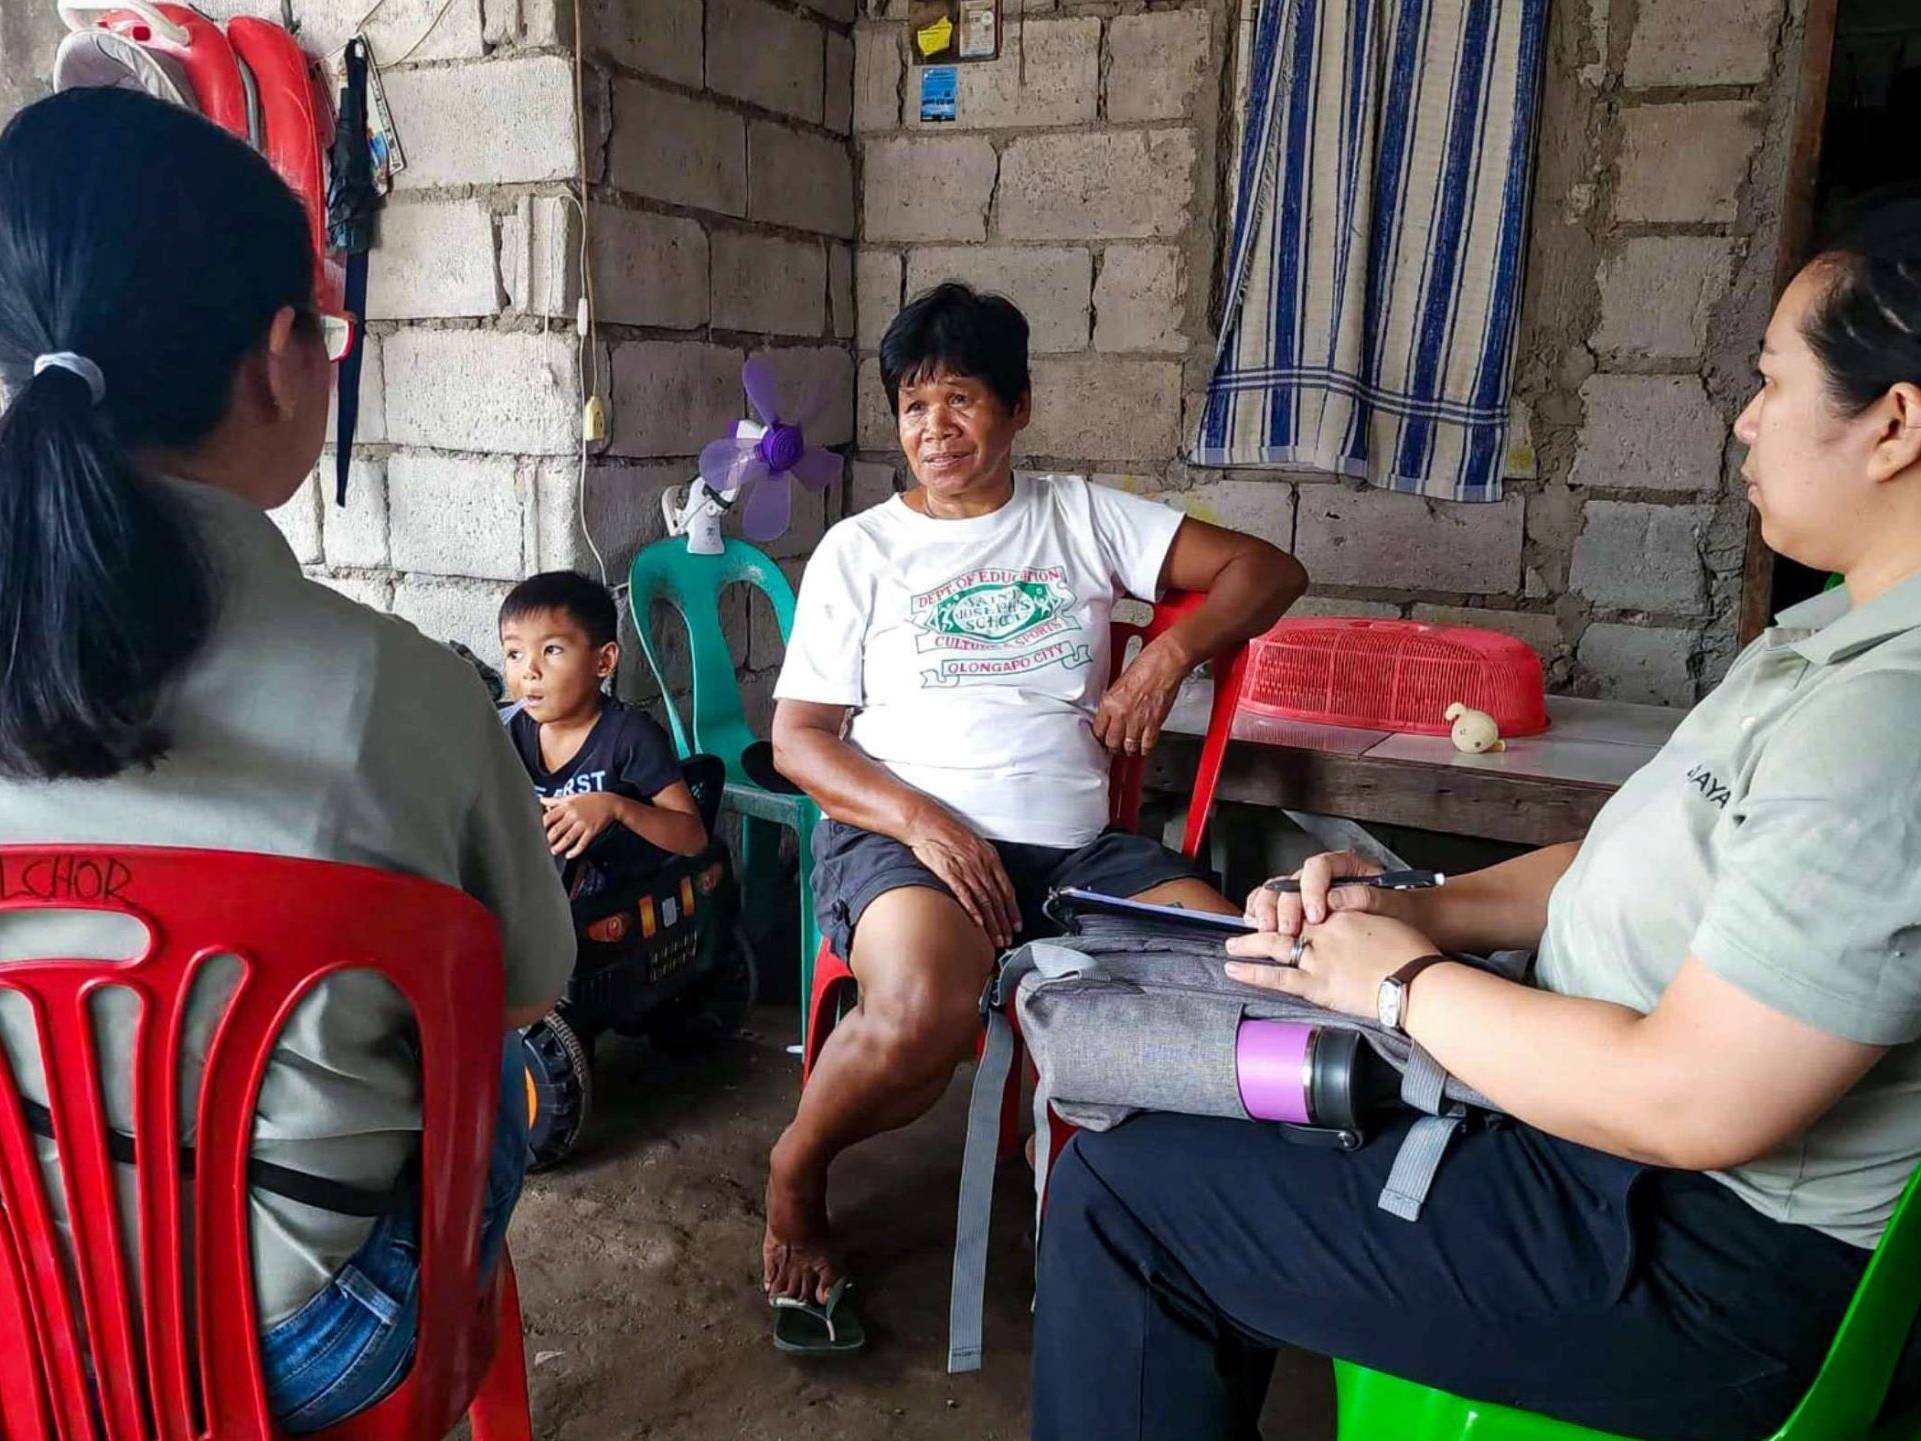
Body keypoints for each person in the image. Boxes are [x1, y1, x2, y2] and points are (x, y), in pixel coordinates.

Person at [1032, 185, 1921, 1441]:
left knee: (1127, 1194)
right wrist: (1413, 910)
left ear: (1893, 423)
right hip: (1606, 1142)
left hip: (1694, 1249)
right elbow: (1614, 858)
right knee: (1194, 1077)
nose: (1745, 421)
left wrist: (1400, 990)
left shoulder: (1890, 719)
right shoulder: (1830, 638)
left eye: (1771, 383)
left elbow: (1692, 1102)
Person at [0, 89, 574, 1431]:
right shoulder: (403, 693)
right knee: (488, 1058)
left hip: (22, 1309)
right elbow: (535, 979)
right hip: (301, 1343)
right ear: (281, 357)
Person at [764, 282, 1308, 1313]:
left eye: (963, 400)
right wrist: (926, 822)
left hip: (1079, 854)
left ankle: (1101, 1183)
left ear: (1019, 405)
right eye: (915, 405)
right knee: (921, 1015)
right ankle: (796, 1173)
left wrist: (1166, 659)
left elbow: (1267, 568)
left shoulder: (1082, 516)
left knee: (1253, 981)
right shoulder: (862, 550)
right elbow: (796, 739)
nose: (937, 429)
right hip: (905, 846)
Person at [499, 570, 708, 898]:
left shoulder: (630, 737)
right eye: (515, 654)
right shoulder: (507, 730)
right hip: (537, 889)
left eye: (552, 650)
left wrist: (614, 807)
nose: (529, 671)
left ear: (604, 661)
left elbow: (693, 838)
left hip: (614, 903)